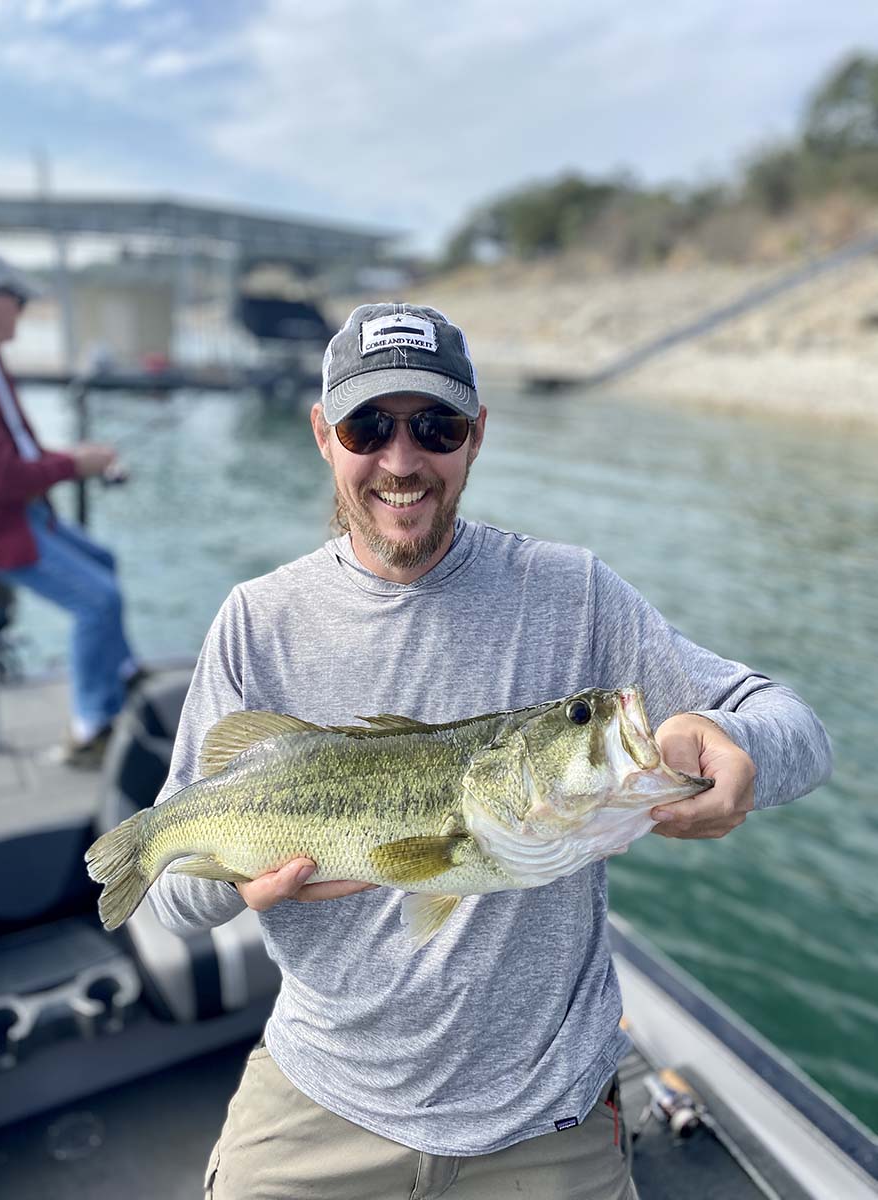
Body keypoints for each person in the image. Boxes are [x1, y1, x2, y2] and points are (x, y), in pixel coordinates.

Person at [146, 302, 832, 1200]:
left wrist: (736, 746)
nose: (401, 460)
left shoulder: (575, 595)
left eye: (435, 426)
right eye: (367, 426)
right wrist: (236, 880)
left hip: (547, 1111)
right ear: (323, 435)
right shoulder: (255, 622)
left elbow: (799, 732)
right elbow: (165, 894)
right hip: (325, 1087)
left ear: (476, 437)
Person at [0, 252, 141, 767]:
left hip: (23, 514)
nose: (23, 310)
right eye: (17, 299)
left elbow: (20, 455)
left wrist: (75, 458)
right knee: (98, 601)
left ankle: (120, 678)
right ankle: (89, 729)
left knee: (106, 564)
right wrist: (74, 466)